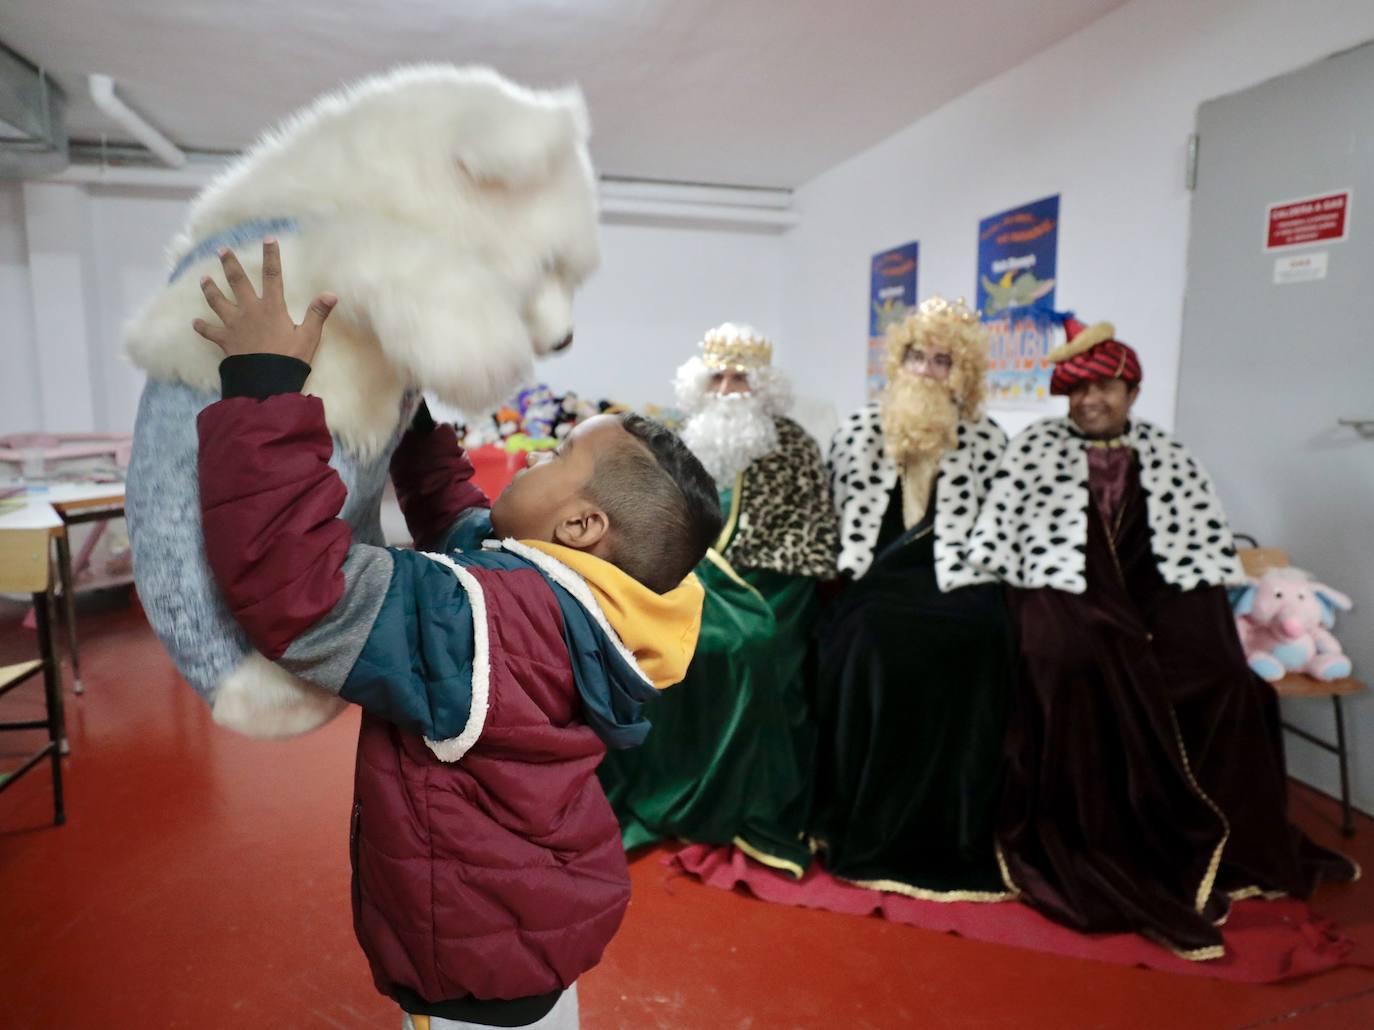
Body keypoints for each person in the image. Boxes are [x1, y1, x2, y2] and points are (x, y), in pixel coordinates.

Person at [190, 241, 720, 1028]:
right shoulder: (573, 603)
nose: (530, 459)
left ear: (580, 523)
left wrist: (265, 385)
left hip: (476, 961)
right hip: (522, 923)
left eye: (554, 456)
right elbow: (460, 518)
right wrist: (406, 405)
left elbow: (297, 587)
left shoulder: (494, 626)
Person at [967, 315, 1357, 959]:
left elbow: (1194, 567)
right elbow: (1015, 560)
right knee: (1077, 669)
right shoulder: (1031, 452)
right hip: (1069, 608)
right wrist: (1086, 617)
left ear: (1132, 391)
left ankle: (1233, 844)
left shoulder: (1171, 457)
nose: (1091, 401)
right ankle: (1106, 845)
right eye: (1077, 392)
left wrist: (1169, 627)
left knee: (1231, 681)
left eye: (1107, 387)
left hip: (1152, 612)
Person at [598, 324, 837, 876]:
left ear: (764, 387)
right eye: (719, 376)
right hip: (676, 580)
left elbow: (802, 546)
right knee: (626, 632)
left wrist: (734, 596)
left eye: (742, 378)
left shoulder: (792, 445)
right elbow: (644, 527)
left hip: (762, 588)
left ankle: (738, 805)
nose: (729, 388)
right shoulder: (675, 438)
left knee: (743, 645)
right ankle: (658, 790)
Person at [815, 296, 1014, 899]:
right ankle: (866, 820)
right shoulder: (856, 430)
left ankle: (955, 828)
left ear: (964, 374)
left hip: (958, 580)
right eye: (918, 358)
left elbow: (997, 531)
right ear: (898, 363)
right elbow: (834, 524)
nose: (927, 371)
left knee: (985, 639)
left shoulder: (988, 439)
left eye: (942, 362)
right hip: (875, 582)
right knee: (876, 641)